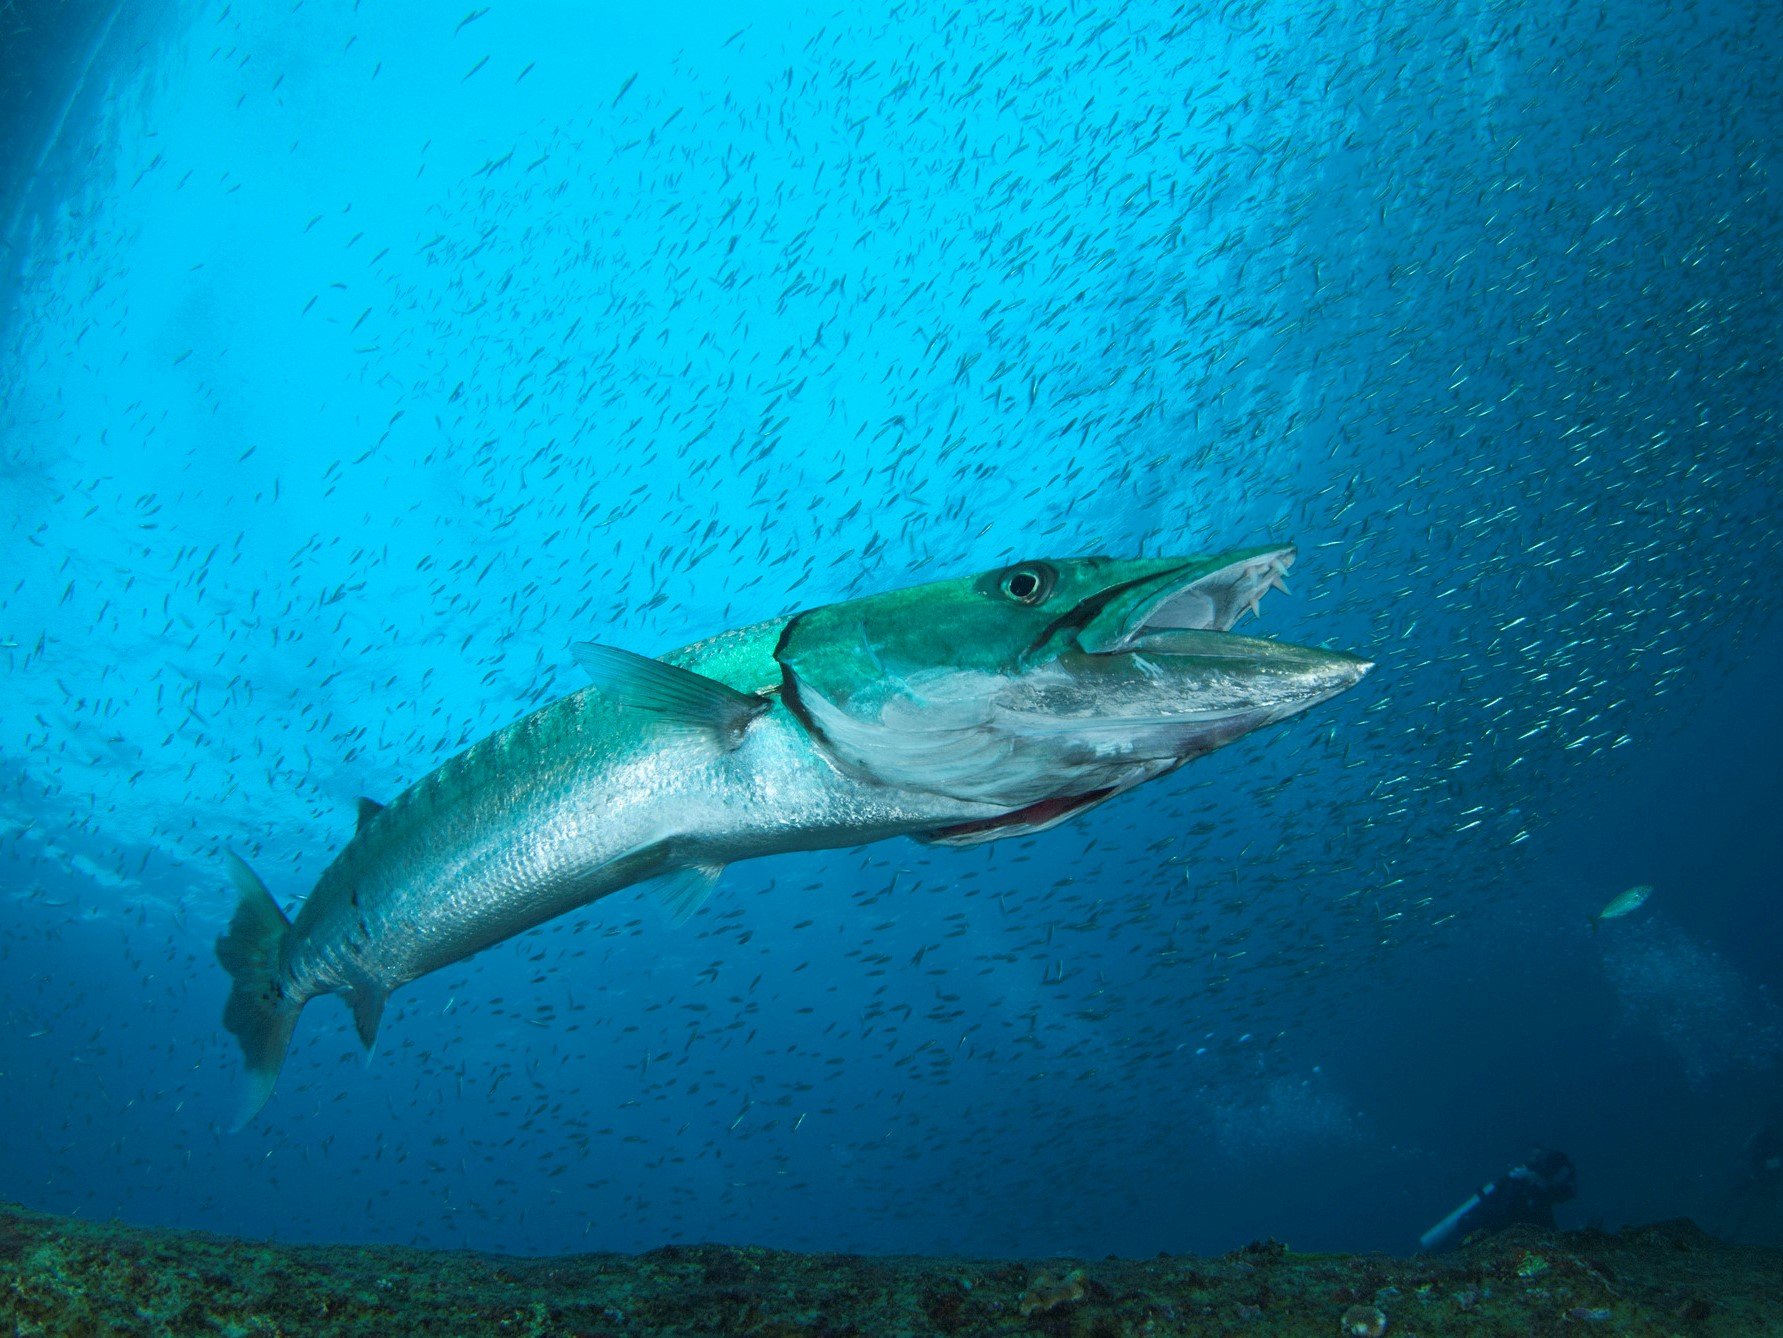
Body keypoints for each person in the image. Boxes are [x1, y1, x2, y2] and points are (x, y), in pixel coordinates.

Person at [1418, 1147, 1578, 1253]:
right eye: (1561, 1179)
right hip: (1474, 1242)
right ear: (1552, 1175)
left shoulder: (1524, 1188)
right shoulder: (1531, 1194)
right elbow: (1545, 1229)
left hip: (1473, 1239)